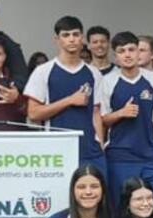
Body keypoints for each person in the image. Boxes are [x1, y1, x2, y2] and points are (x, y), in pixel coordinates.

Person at [100, 31, 153, 217]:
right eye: (121, 51)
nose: (127, 54)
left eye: (132, 49)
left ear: (138, 53)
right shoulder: (108, 82)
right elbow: (102, 119)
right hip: (120, 156)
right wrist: (121, 113)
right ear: (115, 56)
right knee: (122, 210)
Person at [27, 16, 107, 173]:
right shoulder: (43, 71)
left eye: (76, 35)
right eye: (66, 35)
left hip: (90, 151)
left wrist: (100, 144)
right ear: (57, 39)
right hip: (56, 152)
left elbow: (96, 112)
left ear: (82, 38)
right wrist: (69, 100)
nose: (71, 39)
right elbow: (33, 113)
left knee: (96, 196)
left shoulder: (93, 73)